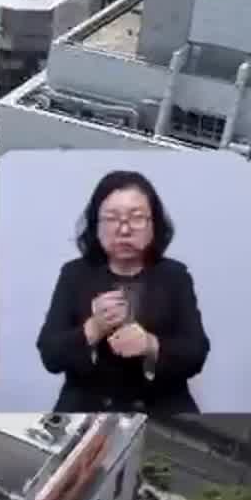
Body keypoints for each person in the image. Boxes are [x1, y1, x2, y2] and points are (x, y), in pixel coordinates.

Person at [35, 170, 209, 413]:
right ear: (96, 225)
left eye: (136, 218)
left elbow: (196, 353)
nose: (124, 230)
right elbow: (50, 356)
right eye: (112, 218)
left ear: (154, 224)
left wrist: (151, 345)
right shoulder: (74, 274)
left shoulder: (175, 276)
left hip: (159, 406)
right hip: (88, 405)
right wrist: (93, 328)